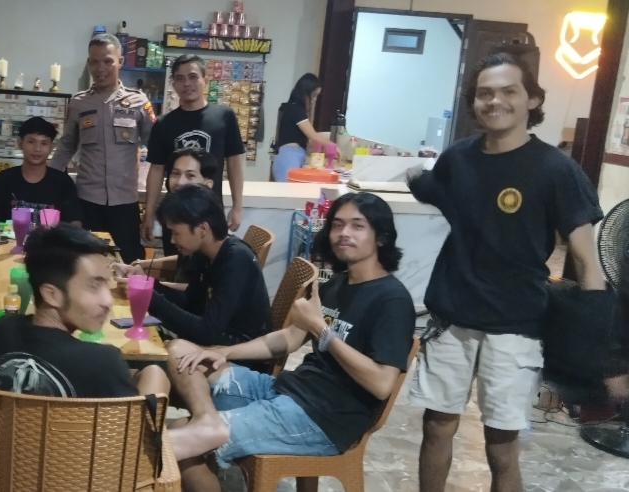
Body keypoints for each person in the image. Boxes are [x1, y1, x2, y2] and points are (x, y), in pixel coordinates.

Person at [406, 50, 617, 492]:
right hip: (452, 319)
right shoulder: (458, 158)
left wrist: (603, 355)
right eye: (484, 93)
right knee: (437, 427)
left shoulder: (555, 169)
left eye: (508, 91)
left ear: (532, 100)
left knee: (501, 447)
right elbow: (445, 194)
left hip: (516, 325)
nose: (495, 101)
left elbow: (587, 263)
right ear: (474, 102)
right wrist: (416, 178)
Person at [162, 192, 415, 491]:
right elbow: (290, 337)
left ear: (380, 237)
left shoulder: (392, 300)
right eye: (337, 224)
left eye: (357, 226)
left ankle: (205, 429)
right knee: (181, 352)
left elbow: (382, 383)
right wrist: (225, 352)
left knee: (180, 439)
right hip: (285, 391)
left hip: (325, 418)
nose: (344, 233)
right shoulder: (337, 284)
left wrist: (321, 330)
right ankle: (207, 421)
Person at [0, 224, 170, 438]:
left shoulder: (0, 329)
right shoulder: (102, 362)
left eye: (107, 284)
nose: (108, 300)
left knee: (149, 373)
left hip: (1, 459)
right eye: (94, 286)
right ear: (51, 294)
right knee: (155, 374)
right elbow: (128, 449)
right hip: (78, 460)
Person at [49, 33, 155, 264]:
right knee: (86, 263)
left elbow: (157, 151)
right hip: (87, 202)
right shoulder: (79, 103)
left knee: (129, 263)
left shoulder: (139, 102)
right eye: (95, 62)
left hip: (125, 204)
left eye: (107, 61)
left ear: (120, 61)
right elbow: (66, 146)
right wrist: (48, 184)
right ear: (88, 63)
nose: (101, 68)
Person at [143, 184, 271, 355]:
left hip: (240, 351)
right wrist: (147, 286)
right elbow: (190, 302)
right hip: (216, 339)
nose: (172, 240)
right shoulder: (204, 252)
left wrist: (151, 298)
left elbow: (208, 332)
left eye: (175, 232)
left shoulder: (236, 259)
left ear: (202, 229)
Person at [143, 54, 246, 256]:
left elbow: (234, 163)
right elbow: (156, 170)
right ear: (173, 83)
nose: (186, 83)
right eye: (180, 78)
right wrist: (149, 213)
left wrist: (237, 207)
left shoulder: (224, 116)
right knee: (178, 265)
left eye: (192, 76)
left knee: (212, 266)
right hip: (175, 214)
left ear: (205, 80)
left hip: (211, 212)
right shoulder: (164, 124)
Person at [115, 148, 219, 284]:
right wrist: (140, 264)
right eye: (175, 174)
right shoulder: (182, 216)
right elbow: (184, 262)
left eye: (190, 176)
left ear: (208, 184)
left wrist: (146, 284)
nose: (180, 182)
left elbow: (195, 291)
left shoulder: (206, 224)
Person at [0, 117, 81, 228]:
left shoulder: (63, 182)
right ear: (20, 143)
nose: (37, 149)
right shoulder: (3, 179)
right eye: (31, 142)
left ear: (52, 147)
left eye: (44, 143)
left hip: (50, 240)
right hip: (8, 239)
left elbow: (74, 222)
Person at [271, 73, 339, 182]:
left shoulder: (294, 108)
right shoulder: (296, 109)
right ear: (305, 92)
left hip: (290, 157)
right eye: (314, 95)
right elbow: (313, 135)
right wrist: (332, 146)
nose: (314, 99)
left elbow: (309, 138)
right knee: (289, 191)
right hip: (289, 158)